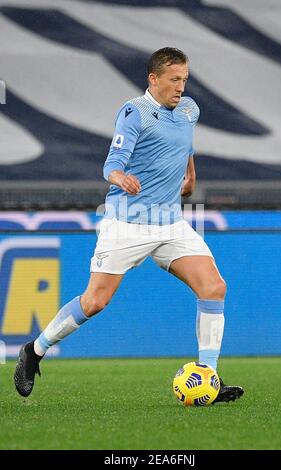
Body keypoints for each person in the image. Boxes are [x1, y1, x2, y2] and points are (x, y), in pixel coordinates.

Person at [14, 47, 244, 403]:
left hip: (170, 222)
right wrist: (119, 177)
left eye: (184, 79)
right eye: (174, 80)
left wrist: (191, 174)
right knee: (95, 302)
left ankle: (208, 377)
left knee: (214, 287)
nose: (181, 86)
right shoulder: (134, 113)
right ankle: (35, 350)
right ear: (153, 79)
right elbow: (111, 163)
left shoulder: (188, 109)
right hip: (128, 222)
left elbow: (186, 144)